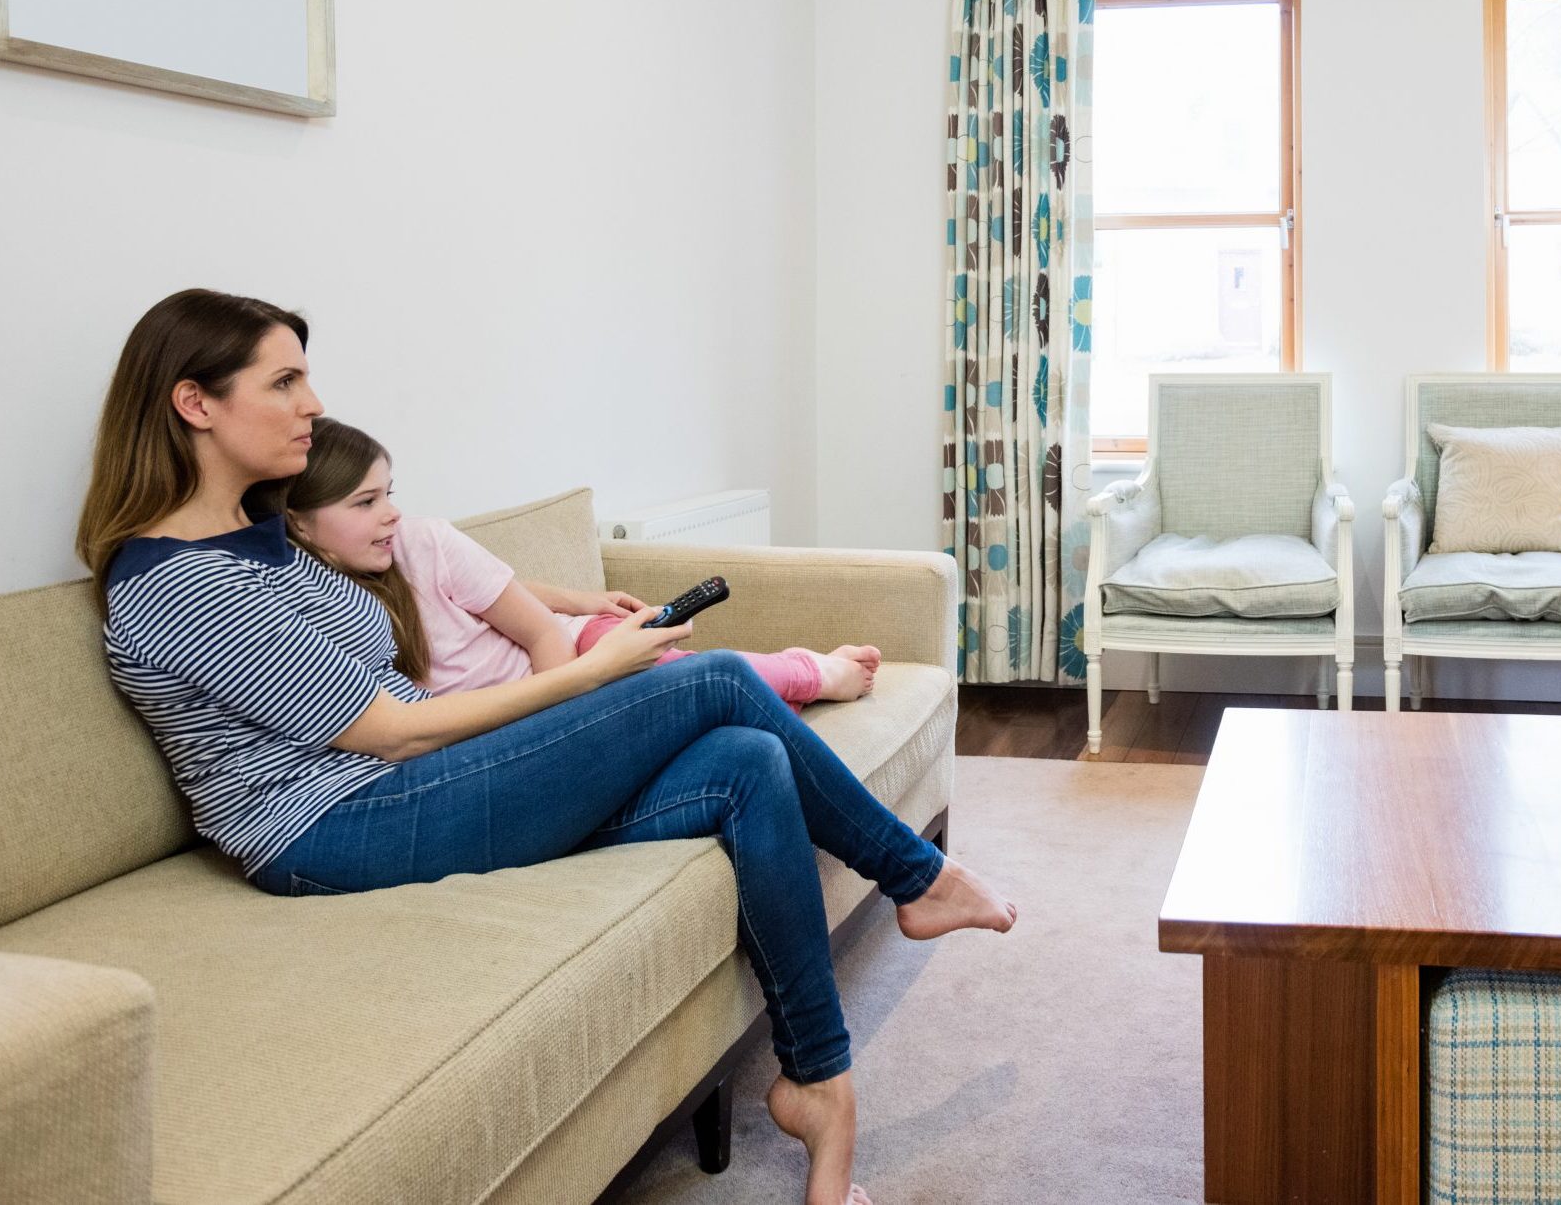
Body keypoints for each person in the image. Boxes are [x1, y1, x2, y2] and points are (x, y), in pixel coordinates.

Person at [77, 289, 1010, 1205]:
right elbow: (391, 729)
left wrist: (570, 611)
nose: (312, 404)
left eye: (307, 380)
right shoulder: (172, 583)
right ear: (194, 403)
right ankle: (915, 874)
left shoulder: (262, 538)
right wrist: (595, 678)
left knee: (748, 761)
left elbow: (432, 590)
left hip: (398, 785)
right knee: (716, 680)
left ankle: (815, 1081)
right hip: (333, 825)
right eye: (283, 382)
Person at [251, 415, 882, 705]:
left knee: (696, 676)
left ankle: (816, 671)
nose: (389, 512)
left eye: (389, 494)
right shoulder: (304, 598)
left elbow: (525, 620)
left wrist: (580, 633)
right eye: (365, 502)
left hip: (575, 651)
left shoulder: (421, 540)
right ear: (297, 526)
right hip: (537, 694)